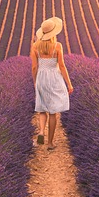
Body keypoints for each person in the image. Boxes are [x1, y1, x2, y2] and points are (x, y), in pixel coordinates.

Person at [30, 16, 73, 150]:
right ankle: (50, 143)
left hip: (41, 77)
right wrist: (69, 84)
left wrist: (35, 81)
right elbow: (61, 66)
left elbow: (34, 67)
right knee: (53, 112)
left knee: (42, 108)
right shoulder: (57, 46)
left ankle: (41, 131)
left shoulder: (35, 46)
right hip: (54, 78)